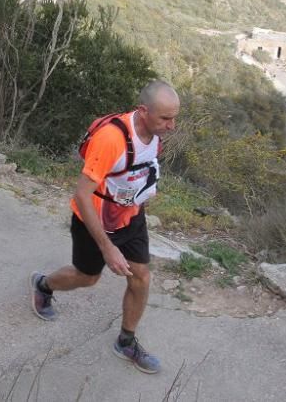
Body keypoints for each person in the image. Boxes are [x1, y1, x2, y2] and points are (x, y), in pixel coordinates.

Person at [30, 80, 180, 375]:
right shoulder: (111, 139)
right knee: (87, 278)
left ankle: (126, 341)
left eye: (174, 117)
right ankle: (43, 285)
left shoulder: (155, 135)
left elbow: (137, 174)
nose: (171, 125)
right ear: (142, 110)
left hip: (130, 215)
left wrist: (138, 205)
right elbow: (82, 195)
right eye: (164, 118)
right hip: (93, 218)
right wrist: (108, 247)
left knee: (141, 276)